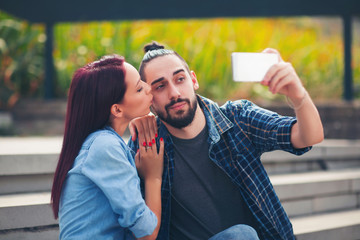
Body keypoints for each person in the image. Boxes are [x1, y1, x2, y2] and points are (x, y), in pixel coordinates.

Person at [128, 42, 324, 240]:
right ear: (149, 97)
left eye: (180, 79)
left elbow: (308, 136)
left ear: (193, 80)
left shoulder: (238, 117)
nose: (174, 93)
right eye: (160, 86)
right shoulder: (145, 144)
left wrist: (298, 95)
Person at [51, 54, 164, 240]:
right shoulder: (105, 146)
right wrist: (153, 177)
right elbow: (147, 233)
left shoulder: (100, 142)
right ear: (117, 110)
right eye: (138, 88)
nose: (148, 87)